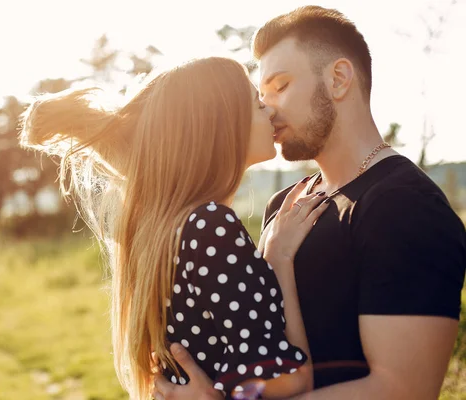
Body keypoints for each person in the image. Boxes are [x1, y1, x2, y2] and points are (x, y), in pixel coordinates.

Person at [153, 6, 466, 400]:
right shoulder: (286, 204)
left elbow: (403, 390)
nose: (268, 108)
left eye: (280, 86)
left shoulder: (406, 207)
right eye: (261, 95)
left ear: (338, 79)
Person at [19, 57, 329, 399]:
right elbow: (291, 382)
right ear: (221, 125)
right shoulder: (210, 226)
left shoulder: (162, 227)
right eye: (257, 104)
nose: (269, 112)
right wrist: (280, 258)